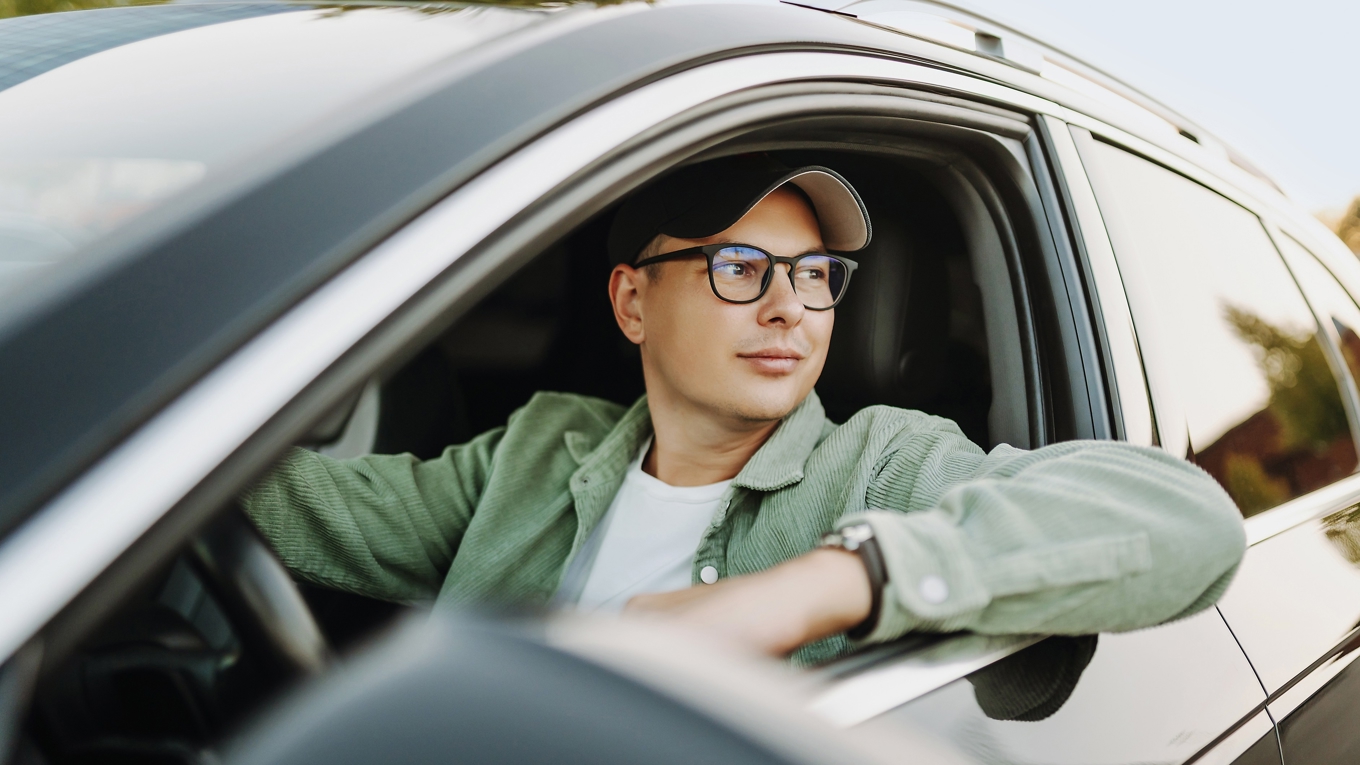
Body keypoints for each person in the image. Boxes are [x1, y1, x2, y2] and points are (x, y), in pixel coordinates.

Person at [242, 155, 1245, 665]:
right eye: (738, 268)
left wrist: (819, 586)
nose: (789, 309)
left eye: (814, 276)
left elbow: (1189, 522)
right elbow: (270, 497)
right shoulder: (542, 449)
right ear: (633, 302)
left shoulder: (882, 463)